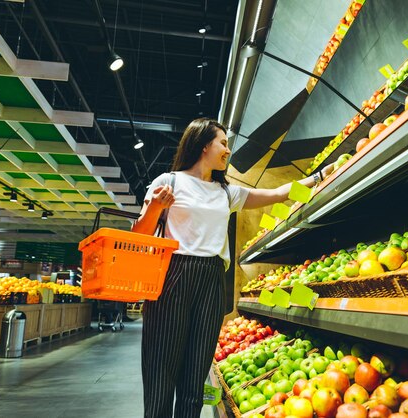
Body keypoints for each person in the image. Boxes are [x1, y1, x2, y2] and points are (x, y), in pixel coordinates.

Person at [132, 118, 334, 418]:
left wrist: (318, 177)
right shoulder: (168, 182)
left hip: (214, 278)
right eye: (223, 143)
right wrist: (155, 208)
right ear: (204, 145)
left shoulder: (227, 193)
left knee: (196, 372)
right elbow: (139, 236)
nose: (228, 149)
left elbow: (279, 193)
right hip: (174, 273)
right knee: (161, 368)